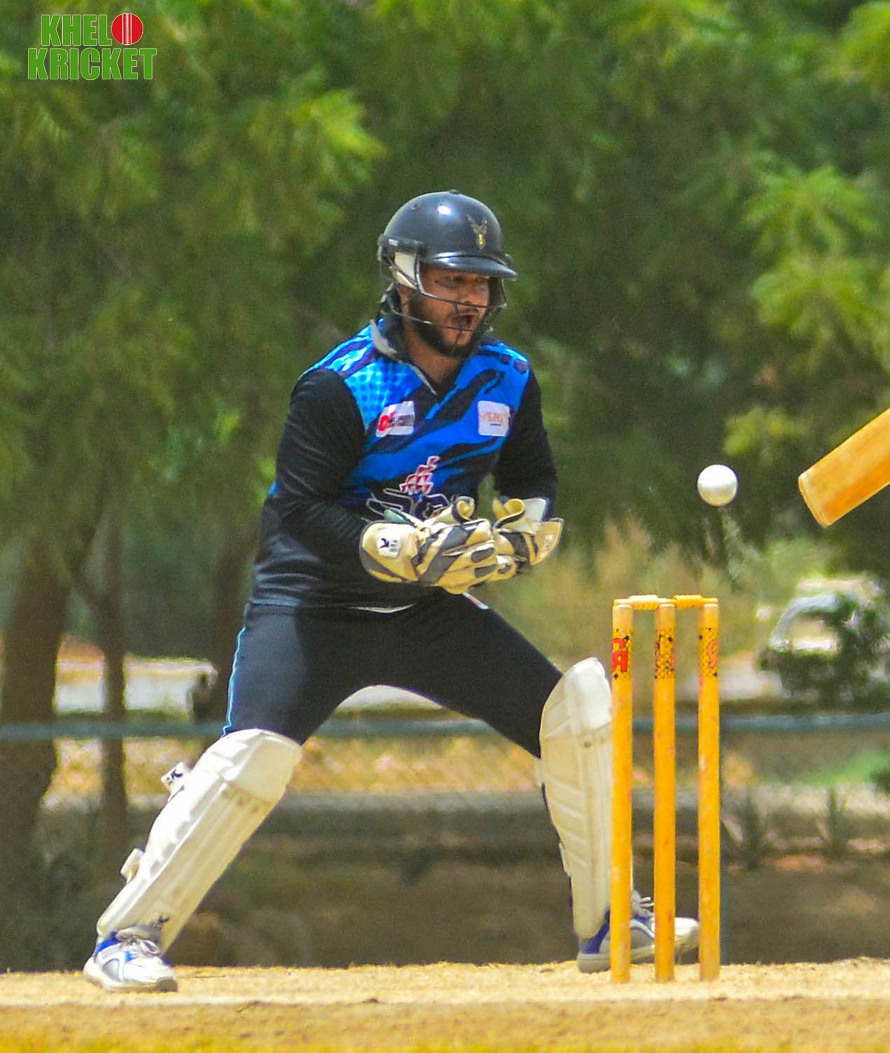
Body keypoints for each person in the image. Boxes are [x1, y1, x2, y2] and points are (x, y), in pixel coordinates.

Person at [82, 190, 696, 993]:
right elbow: (298, 511)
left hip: (425, 609)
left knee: (575, 710)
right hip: (313, 605)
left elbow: (532, 477)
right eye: (450, 280)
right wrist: (386, 544)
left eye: (480, 282)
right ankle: (125, 936)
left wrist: (523, 532)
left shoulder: (507, 379)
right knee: (252, 758)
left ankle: (612, 921)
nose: (469, 299)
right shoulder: (342, 386)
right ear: (405, 280)